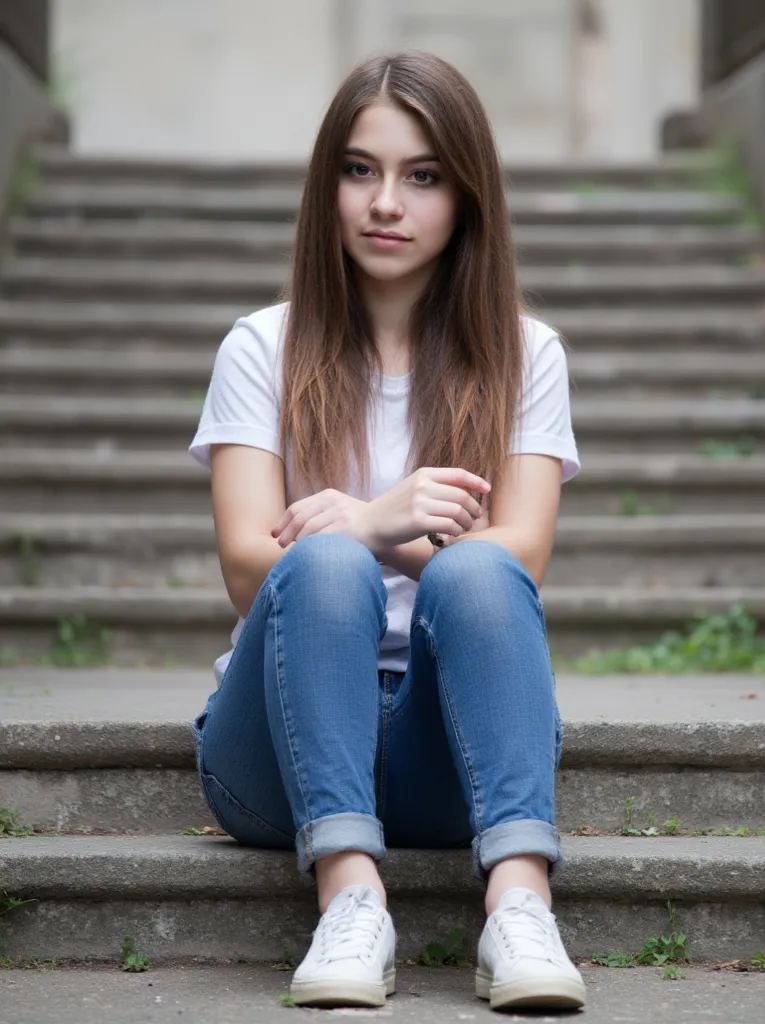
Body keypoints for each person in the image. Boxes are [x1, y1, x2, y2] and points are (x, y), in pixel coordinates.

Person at [188, 49, 585, 1013]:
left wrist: (381, 530)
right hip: (273, 748)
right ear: (328, 185)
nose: (385, 203)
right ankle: (348, 903)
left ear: (467, 196)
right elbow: (251, 568)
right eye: (360, 170)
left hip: (445, 746)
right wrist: (365, 528)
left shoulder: (526, 354)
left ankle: (521, 907)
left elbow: (520, 558)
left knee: (477, 577)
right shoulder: (262, 347)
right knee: (321, 564)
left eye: (423, 176)